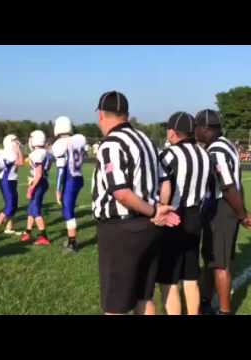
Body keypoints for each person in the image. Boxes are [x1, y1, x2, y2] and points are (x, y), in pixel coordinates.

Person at [92, 90, 180, 315]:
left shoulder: (111, 143)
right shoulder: (146, 140)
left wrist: (153, 210)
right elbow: (165, 180)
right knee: (144, 296)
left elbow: (121, 192)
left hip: (121, 229)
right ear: (126, 114)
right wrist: (160, 208)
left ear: (101, 114)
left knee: (115, 306)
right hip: (149, 228)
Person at [195, 109, 251, 315]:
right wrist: (242, 211)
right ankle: (205, 300)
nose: (194, 131)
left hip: (222, 209)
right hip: (227, 208)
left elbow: (228, 186)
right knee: (214, 257)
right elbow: (237, 185)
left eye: (197, 127)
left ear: (206, 129)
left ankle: (224, 310)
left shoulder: (217, 151)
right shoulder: (226, 144)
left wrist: (242, 215)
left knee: (220, 263)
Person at [156, 112, 211, 315]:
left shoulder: (169, 155)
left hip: (174, 217)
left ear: (173, 131)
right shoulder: (205, 154)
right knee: (190, 277)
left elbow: (161, 189)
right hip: (196, 216)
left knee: (169, 280)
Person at [51, 116, 87, 253]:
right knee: (68, 208)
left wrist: (58, 189)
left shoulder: (59, 144)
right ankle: (71, 239)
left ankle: (72, 243)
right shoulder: (79, 139)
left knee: (67, 210)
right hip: (78, 177)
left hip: (69, 178)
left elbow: (61, 170)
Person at [20, 130, 52, 245]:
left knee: (35, 209)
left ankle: (44, 236)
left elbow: (38, 174)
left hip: (38, 182)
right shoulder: (46, 152)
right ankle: (28, 232)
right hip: (42, 181)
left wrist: (31, 188)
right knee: (31, 209)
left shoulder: (37, 153)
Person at [0, 134, 24, 237]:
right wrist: (18, 150)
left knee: (13, 205)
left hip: (9, 179)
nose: (17, 142)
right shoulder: (10, 153)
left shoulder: (4, 152)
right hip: (7, 180)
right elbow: (21, 162)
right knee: (9, 206)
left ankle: (9, 227)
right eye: (15, 141)